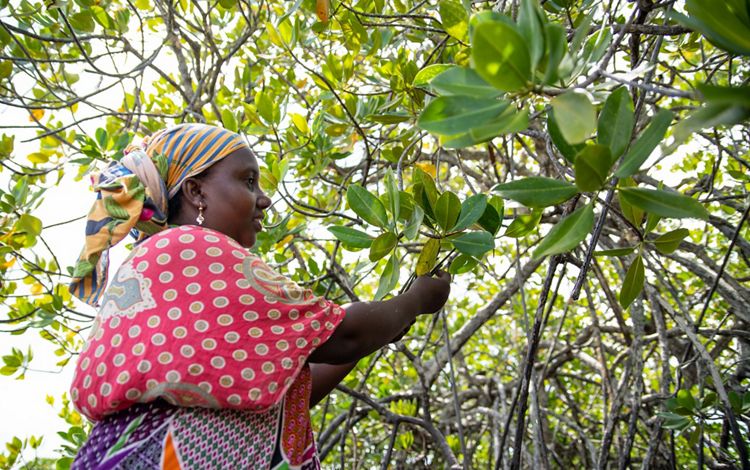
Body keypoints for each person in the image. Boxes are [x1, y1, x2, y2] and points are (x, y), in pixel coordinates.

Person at [67, 123, 451, 469]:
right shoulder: (189, 247)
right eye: (249, 181)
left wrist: (386, 323)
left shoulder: (168, 268)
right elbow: (342, 336)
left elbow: (286, 386)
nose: (264, 199)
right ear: (196, 190)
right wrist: (416, 301)